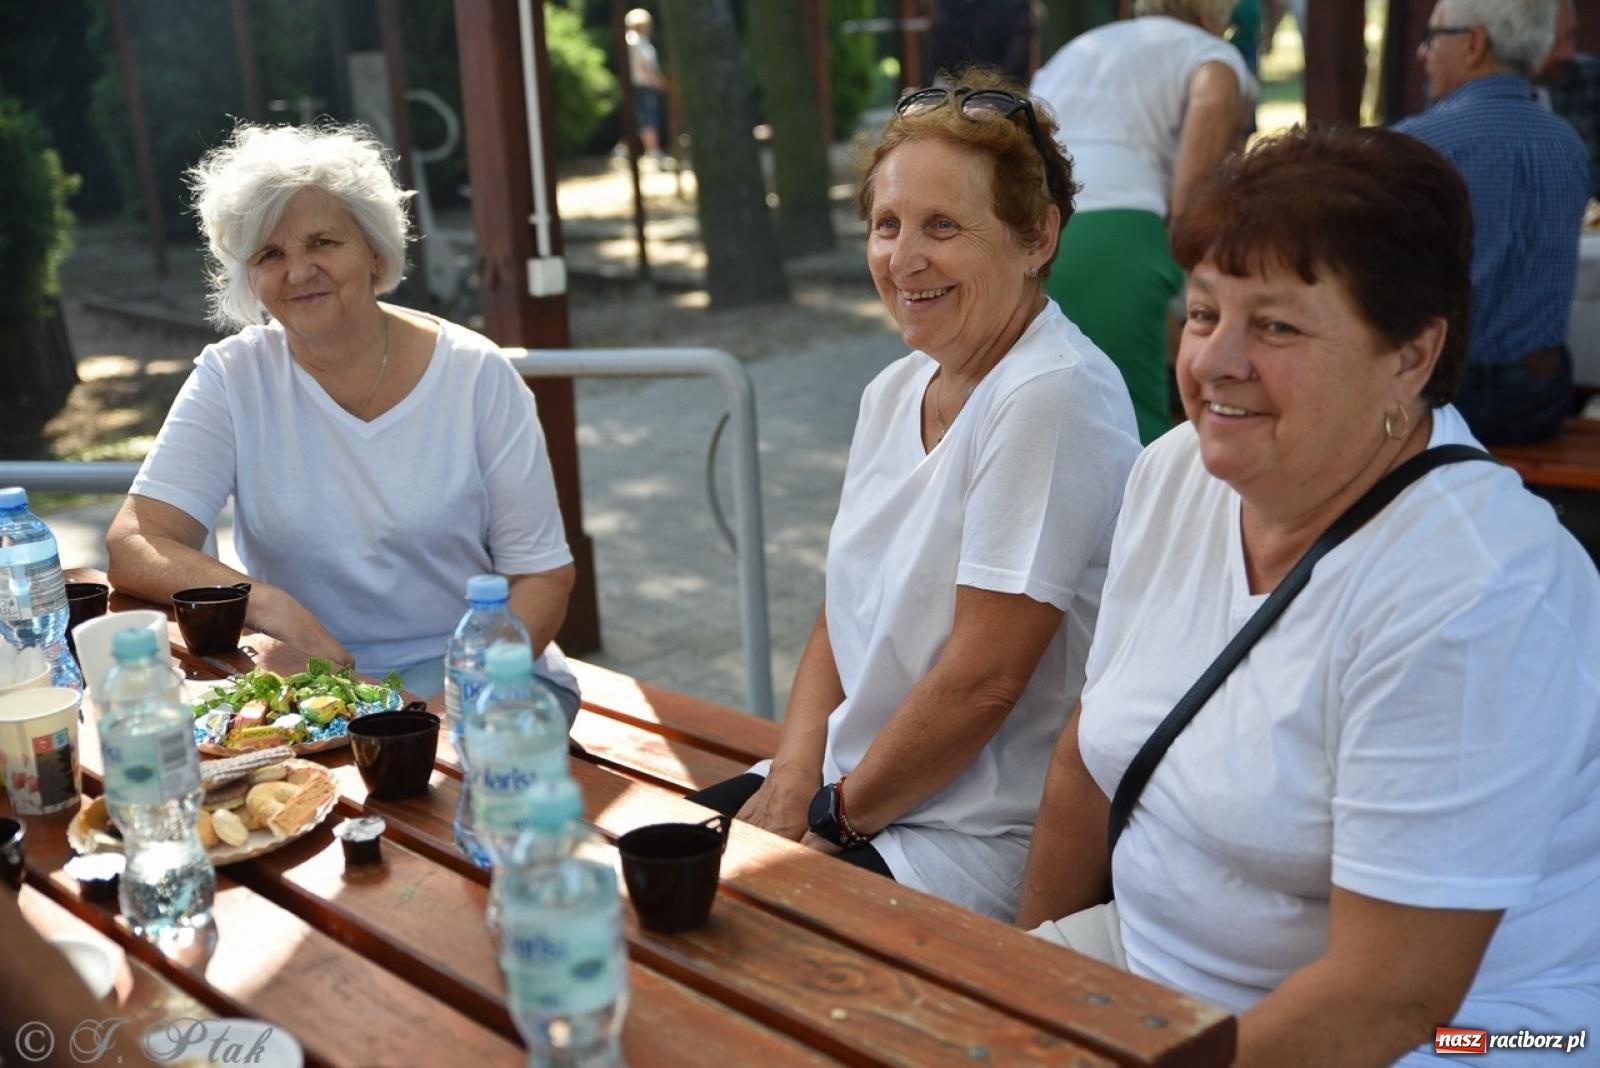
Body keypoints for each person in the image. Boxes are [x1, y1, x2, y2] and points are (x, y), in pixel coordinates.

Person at [1016, 126, 1600, 1066]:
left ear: (1411, 358)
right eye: (1204, 313)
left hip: (1467, 1028)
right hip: (1159, 970)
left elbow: (1390, 998)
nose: (1214, 362)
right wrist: (1025, 985)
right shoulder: (1178, 474)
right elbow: (1087, 761)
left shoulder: (1479, 587)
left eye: (1276, 326)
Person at [687, 70, 1140, 921]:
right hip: (855, 793)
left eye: (943, 227)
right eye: (887, 225)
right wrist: (790, 776)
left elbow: (983, 682)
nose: (903, 258)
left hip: (972, 837)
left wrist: (830, 820)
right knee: (626, 880)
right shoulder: (897, 388)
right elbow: (842, 610)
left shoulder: (1052, 392)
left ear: (1037, 235)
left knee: (724, 943)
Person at [105, 123, 580, 717]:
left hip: (477, 679)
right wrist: (266, 604)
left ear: (375, 250)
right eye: (270, 254)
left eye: (323, 242)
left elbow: (542, 577)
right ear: (249, 276)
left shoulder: (475, 373)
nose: (298, 271)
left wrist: (449, 706)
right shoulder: (233, 376)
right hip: (306, 686)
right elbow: (135, 541)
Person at [1031, 0, 1254, 444]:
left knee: (1047, 414)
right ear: (1218, 14)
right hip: (1119, 230)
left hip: (1028, 231)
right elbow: (1194, 201)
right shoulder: (1212, 57)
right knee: (1135, 430)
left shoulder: (1080, 49)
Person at [1395, 0, 1588, 445]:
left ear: (1475, 43)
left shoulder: (1415, 147)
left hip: (1440, 396)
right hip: (1539, 398)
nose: (1424, 53)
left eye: (1433, 36)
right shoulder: (1568, 144)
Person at [1536, 0, 1600, 199]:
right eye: (1552, 42)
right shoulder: (1488, 95)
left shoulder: (1591, 79)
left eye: (1570, 36)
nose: (1567, 53)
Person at [624, 8, 668, 162]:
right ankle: (653, 151)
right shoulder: (635, 40)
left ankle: (652, 150)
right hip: (643, 84)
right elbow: (644, 66)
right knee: (648, 118)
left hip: (642, 84)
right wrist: (657, 81)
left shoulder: (638, 40)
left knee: (646, 118)